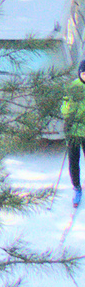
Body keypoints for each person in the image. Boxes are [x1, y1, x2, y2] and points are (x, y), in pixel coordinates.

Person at [64, 61, 85, 209]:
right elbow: (64, 108)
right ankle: (76, 187)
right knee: (73, 161)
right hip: (73, 131)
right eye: (84, 74)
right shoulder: (73, 87)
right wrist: (68, 111)